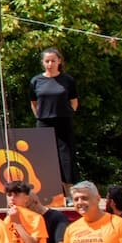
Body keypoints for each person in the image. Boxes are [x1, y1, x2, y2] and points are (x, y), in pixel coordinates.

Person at [29, 47, 80, 190]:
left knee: (66, 156)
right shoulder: (36, 81)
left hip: (63, 120)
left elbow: (74, 101)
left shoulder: (67, 80)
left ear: (59, 61)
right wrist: (39, 116)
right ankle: (49, 190)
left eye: (53, 61)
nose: (50, 64)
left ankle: (69, 190)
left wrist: (69, 113)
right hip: (44, 122)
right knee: (45, 154)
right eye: (47, 61)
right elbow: (33, 102)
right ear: (43, 63)